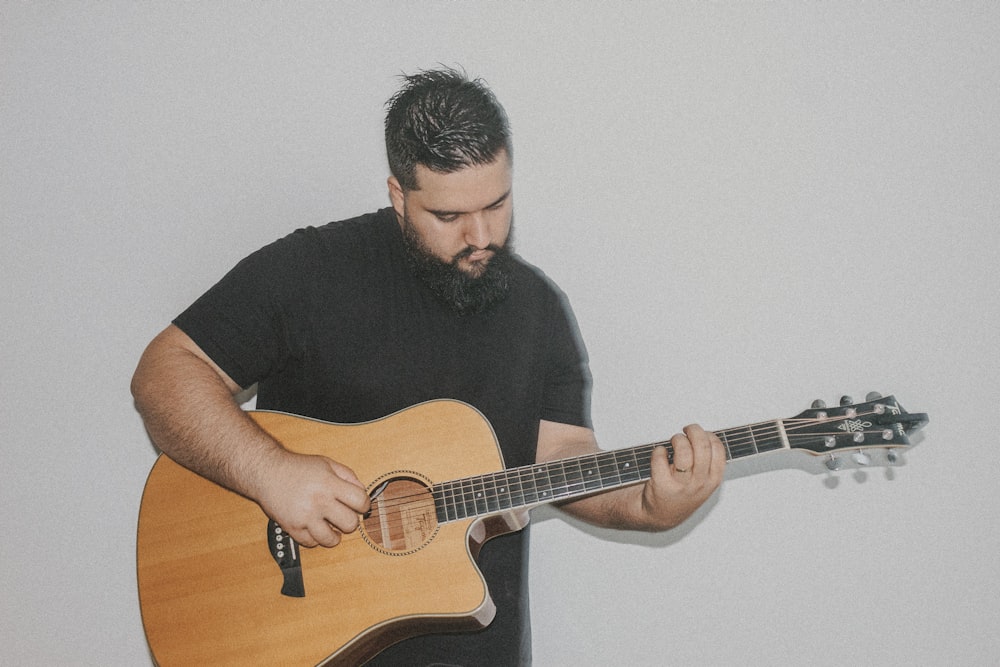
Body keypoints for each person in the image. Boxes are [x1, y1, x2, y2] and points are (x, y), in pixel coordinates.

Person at [131, 66, 725, 666]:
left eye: (497, 204)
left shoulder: (537, 309)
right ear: (398, 195)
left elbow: (561, 458)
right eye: (448, 217)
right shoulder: (312, 271)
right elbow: (164, 374)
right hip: (297, 642)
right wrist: (271, 473)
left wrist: (650, 505)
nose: (481, 235)